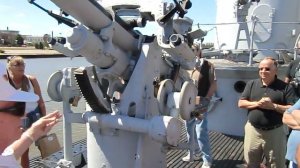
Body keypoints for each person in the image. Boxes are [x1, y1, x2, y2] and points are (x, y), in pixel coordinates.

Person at [0, 62, 62, 167]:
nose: (24, 115)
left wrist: (32, 133)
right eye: (18, 109)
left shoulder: (4, 158)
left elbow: (10, 155)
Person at [238, 57, 296, 168]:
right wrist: (258, 104)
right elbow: (241, 103)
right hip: (253, 130)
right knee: (251, 163)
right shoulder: (251, 84)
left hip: (275, 132)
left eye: (267, 69)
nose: (263, 71)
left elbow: (292, 109)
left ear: (276, 71)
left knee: (276, 164)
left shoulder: (286, 87)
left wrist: (273, 106)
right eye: (261, 69)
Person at [6, 55, 46, 168]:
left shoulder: (31, 80)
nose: (21, 67)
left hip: (35, 115)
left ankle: (48, 164)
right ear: (10, 67)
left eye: (23, 64)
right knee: (24, 150)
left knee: (43, 145)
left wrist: (45, 119)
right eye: (17, 64)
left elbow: (41, 101)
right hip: (17, 119)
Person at [182, 43, 217, 168]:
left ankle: (207, 159)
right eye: (188, 49)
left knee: (200, 130)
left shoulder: (208, 66)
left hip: (200, 103)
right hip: (187, 102)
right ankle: (192, 153)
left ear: (198, 51)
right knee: (189, 130)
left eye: (192, 50)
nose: (190, 52)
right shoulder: (185, 65)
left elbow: (213, 84)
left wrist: (206, 98)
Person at [282, 99, 300, 168]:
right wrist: (295, 112)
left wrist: (295, 113)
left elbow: (293, 112)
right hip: (293, 157)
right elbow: (286, 117)